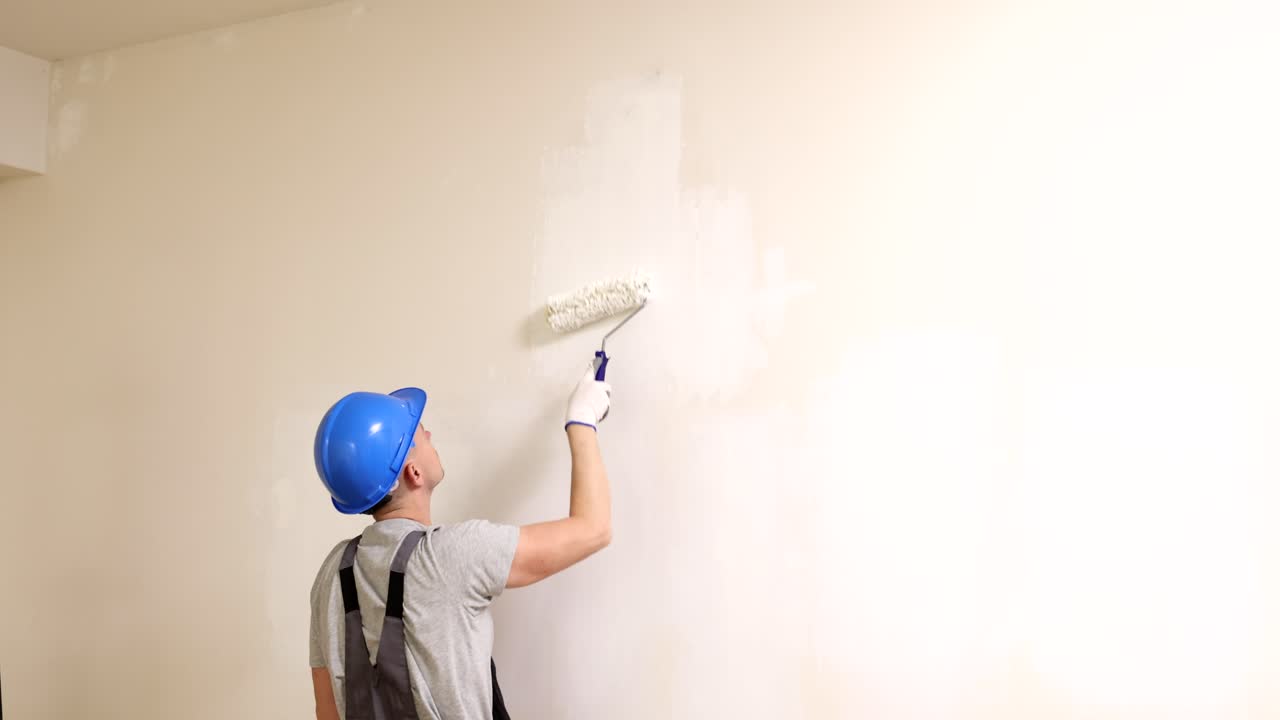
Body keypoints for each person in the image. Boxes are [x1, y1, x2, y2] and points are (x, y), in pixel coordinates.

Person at [308, 366, 613, 720]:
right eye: (422, 435)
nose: (430, 433)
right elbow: (594, 528)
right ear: (414, 473)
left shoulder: (332, 573)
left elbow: (327, 710)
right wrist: (581, 421)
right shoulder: (451, 555)